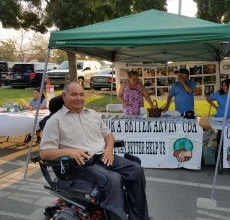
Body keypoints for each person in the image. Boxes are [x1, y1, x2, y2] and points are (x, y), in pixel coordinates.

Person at [40, 81, 151, 220]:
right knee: (113, 179)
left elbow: (108, 135)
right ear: (64, 95)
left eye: (81, 94)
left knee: (136, 170)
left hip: (102, 156)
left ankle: (140, 217)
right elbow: (44, 153)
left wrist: (109, 149)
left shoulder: (92, 114)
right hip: (77, 165)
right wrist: (69, 151)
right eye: (74, 95)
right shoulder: (55, 121)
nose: (79, 98)